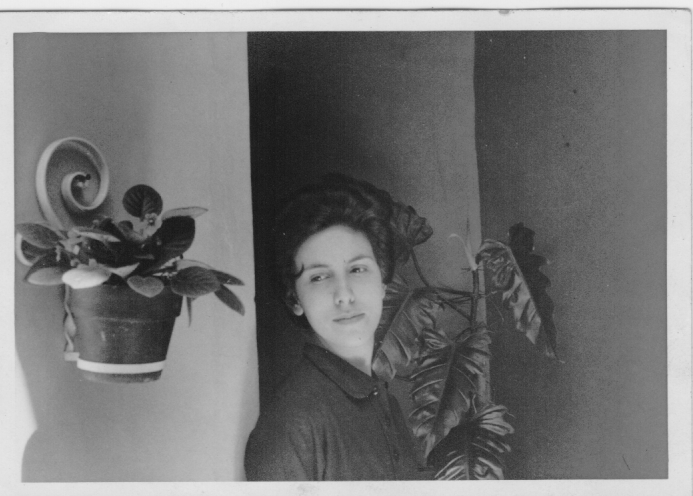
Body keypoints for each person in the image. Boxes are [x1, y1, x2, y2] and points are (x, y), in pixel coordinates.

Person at [244, 175, 424, 481]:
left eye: (357, 269)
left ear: (382, 283)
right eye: (319, 277)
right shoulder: (292, 426)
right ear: (294, 299)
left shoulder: (385, 403)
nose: (344, 294)